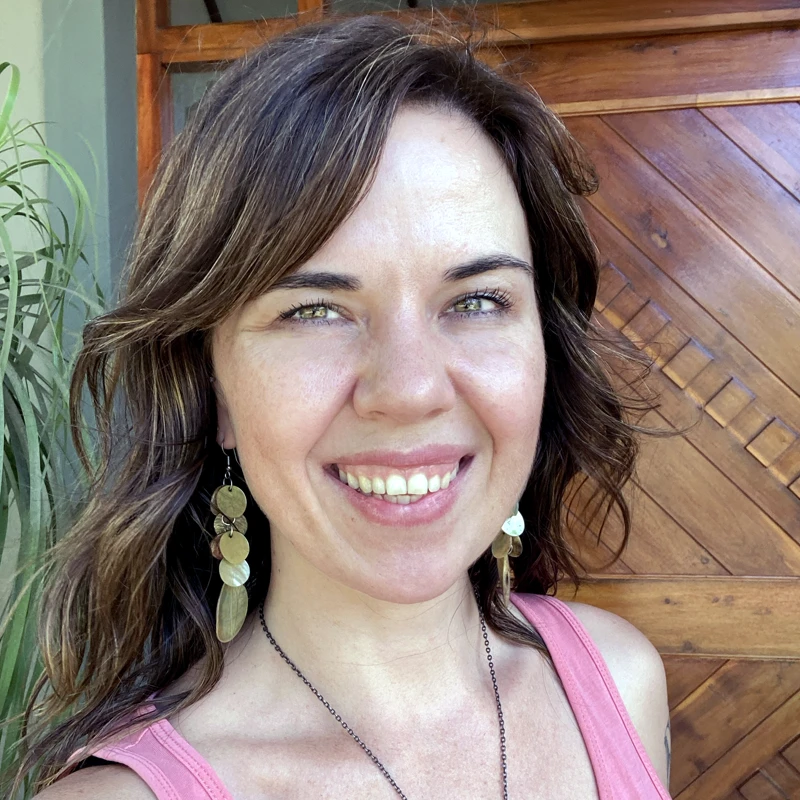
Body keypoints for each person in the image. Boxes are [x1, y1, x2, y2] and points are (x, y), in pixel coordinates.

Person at [9, 13, 672, 800]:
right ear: (211, 386)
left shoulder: (621, 682)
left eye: (479, 300)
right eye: (313, 311)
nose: (410, 390)